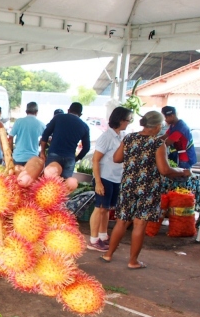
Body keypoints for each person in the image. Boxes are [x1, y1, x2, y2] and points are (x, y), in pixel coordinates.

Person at [99, 111, 189, 268]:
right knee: (139, 224)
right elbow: (164, 170)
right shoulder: (157, 144)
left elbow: (117, 158)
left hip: (128, 186)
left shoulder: (129, 138)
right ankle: (133, 261)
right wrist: (182, 172)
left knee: (121, 222)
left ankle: (108, 254)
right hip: (147, 189)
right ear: (157, 126)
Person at [86, 107, 132, 252]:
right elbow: (95, 160)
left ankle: (103, 236)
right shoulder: (106, 137)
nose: (129, 122)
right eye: (127, 120)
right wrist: (98, 182)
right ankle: (93, 240)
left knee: (106, 209)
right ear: (120, 120)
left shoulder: (121, 135)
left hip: (115, 177)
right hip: (104, 177)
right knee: (99, 208)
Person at [40, 102, 90, 178]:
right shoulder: (84, 126)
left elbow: (45, 134)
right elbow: (86, 147)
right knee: (65, 185)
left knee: (49, 181)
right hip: (69, 158)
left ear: (68, 110)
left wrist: (42, 152)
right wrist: (77, 158)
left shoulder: (58, 117)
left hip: (54, 154)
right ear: (80, 114)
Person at [9, 101, 46, 166]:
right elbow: (44, 139)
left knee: (17, 176)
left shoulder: (18, 122)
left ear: (26, 111)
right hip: (33, 158)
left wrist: (10, 152)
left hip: (18, 158)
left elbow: (10, 137)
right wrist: (41, 149)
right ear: (36, 112)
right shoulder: (41, 124)